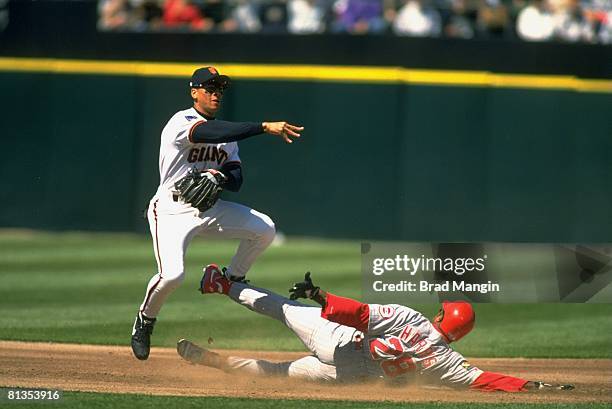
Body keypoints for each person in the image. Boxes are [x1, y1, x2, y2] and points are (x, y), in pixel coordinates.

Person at [131, 67, 304, 360]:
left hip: (208, 209)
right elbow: (208, 132)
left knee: (265, 228)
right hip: (171, 209)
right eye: (209, 88)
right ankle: (144, 321)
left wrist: (222, 177)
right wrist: (263, 126)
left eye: (219, 89)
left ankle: (231, 277)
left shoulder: (228, 136)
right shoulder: (181, 121)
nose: (215, 93)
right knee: (172, 275)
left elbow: (236, 177)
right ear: (194, 91)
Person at [177, 269, 574, 391]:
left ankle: (222, 284)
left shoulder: (413, 318)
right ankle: (214, 361)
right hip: (347, 375)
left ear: (441, 317)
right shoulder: (446, 363)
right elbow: (485, 380)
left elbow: (360, 315)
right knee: (276, 372)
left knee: (282, 308)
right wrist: (533, 386)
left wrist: (320, 294)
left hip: (335, 340)